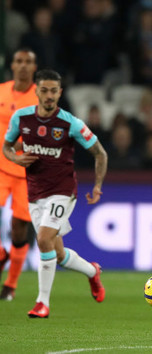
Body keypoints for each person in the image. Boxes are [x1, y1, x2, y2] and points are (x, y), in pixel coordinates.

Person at [3, 69, 108, 318]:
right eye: (44, 90)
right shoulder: (21, 118)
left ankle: (42, 303)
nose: (49, 95)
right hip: (35, 192)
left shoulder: (70, 123)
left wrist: (97, 186)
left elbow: (100, 153)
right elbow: (7, 146)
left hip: (62, 191)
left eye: (54, 90)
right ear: (36, 91)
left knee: (42, 238)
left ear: (59, 93)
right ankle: (93, 272)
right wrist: (16, 158)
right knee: (58, 253)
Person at [0, 49, 38, 301]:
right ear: (12, 65)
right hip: (1, 166)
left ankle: (10, 285)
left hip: (27, 170)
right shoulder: (1, 91)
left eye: (28, 62)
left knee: (19, 229)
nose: (23, 66)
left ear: (34, 67)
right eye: (19, 61)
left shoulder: (41, 96)